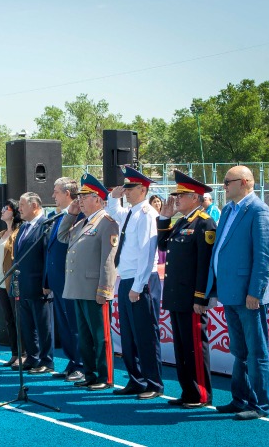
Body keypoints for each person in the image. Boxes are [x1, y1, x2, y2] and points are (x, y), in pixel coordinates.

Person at [206, 165, 269, 421]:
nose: (223, 186)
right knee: (239, 351)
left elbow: (265, 257)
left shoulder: (259, 211)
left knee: (256, 351)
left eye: (227, 181)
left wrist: (255, 292)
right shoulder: (228, 211)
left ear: (244, 182)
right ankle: (239, 399)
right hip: (231, 292)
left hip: (249, 295)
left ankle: (260, 405)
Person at [157, 171, 217, 409]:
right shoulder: (182, 222)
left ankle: (201, 394)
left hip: (192, 298)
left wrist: (201, 297)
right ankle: (187, 391)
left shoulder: (204, 223)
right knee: (181, 347)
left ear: (195, 197)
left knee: (194, 347)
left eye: (181, 195)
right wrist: (164, 218)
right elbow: (162, 246)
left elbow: (205, 264)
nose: (176, 199)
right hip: (176, 296)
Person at [107, 166, 164, 400]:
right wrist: (114, 196)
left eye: (130, 188)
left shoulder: (147, 214)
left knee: (146, 335)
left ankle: (153, 382)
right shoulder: (130, 212)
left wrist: (138, 286)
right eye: (126, 187)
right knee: (129, 334)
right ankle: (136, 379)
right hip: (127, 277)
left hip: (141, 279)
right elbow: (114, 210)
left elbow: (147, 252)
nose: (127, 191)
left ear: (143, 189)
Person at [57, 174, 119, 391]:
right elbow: (62, 237)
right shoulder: (83, 221)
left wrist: (105, 289)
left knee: (100, 336)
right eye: (80, 198)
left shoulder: (106, 223)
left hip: (95, 290)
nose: (80, 201)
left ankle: (105, 376)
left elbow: (108, 261)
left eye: (85, 197)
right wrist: (71, 214)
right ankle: (90, 373)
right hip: (79, 289)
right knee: (85, 337)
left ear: (98, 199)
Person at [44, 177, 85, 382]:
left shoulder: (79, 215)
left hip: (71, 278)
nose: (53, 196)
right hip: (58, 279)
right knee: (65, 324)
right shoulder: (56, 216)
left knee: (74, 323)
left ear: (67, 193)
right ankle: (72, 361)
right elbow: (50, 250)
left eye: (56, 191)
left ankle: (81, 363)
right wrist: (47, 280)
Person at [12, 192, 52, 374]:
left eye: (22, 205)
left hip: (38, 285)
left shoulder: (45, 226)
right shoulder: (23, 228)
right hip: (22, 284)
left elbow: (47, 257)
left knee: (43, 325)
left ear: (34, 206)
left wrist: (46, 283)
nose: (19, 209)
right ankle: (33, 357)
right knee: (27, 325)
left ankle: (46, 360)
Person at [0, 198, 23, 367]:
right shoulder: (1, 234)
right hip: (0, 283)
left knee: (18, 319)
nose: (2, 211)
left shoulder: (19, 233)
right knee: (9, 320)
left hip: (13, 283)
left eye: (6, 208)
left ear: (14, 212)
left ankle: (23, 353)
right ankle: (14, 353)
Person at [149, 195, 166, 264]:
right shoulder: (149, 215)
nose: (157, 203)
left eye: (158, 201)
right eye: (154, 202)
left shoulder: (165, 214)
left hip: (162, 239)